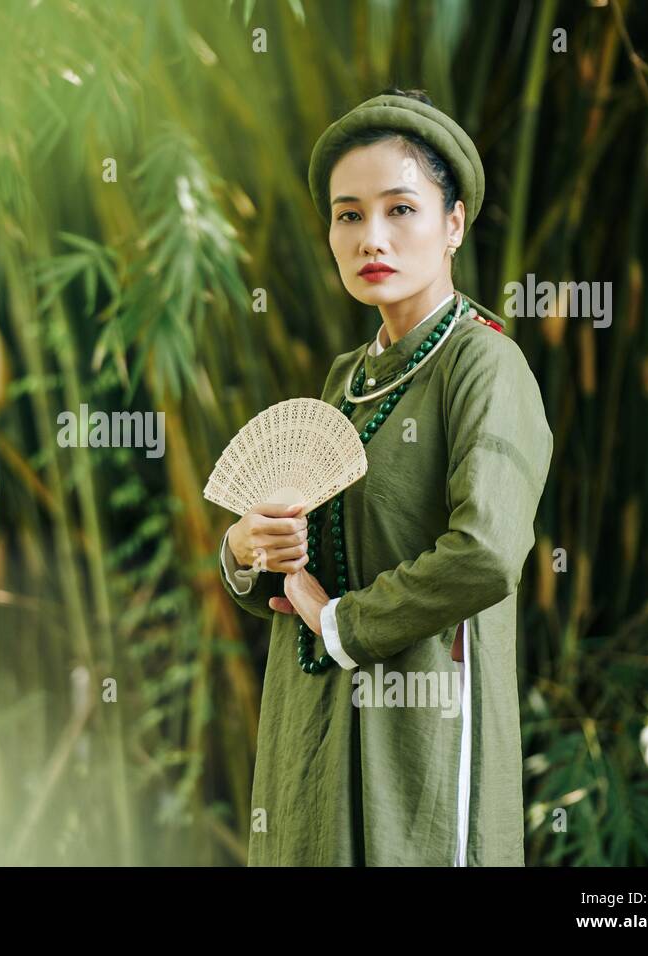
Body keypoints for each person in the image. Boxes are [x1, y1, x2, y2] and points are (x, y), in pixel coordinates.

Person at [219, 88, 552, 865]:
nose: (372, 237)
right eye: (348, 214)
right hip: (311, 717)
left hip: (421, 724)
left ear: (454, 222)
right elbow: (295, 572)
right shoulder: (346, 377)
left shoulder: (484, 365)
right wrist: (244, 547)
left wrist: (344, 624)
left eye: (400, 209)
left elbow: (488, 552)